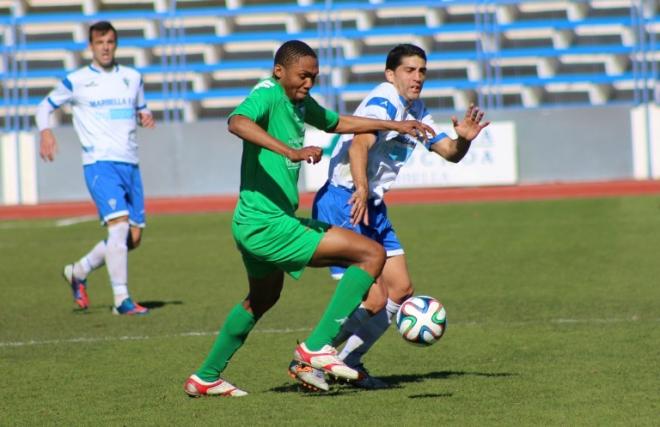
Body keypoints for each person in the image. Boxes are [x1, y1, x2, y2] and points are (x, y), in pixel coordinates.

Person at [182, 40, 434, 397]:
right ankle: (316, 348)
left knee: (261, 300)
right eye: (303, 76)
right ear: (279, 71)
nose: (309, 83)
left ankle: (205, 377)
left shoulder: (299, 102)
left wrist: (396, 124)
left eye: (314, 77)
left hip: (256, 222)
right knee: (372, 255)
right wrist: (291, 151)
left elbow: (338, 122)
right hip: (266, 225)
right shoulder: (268, 93)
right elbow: (236, 122)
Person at [290, 43, 490, 390]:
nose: (417, 77)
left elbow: (450, 153)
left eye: (422, 71)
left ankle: (350, 362)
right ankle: (311, 357)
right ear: (390, 74)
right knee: (373, 297)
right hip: (346, 200)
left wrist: (464, 140)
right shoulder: (383, 100)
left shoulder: (418, 109)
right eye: (409, 70)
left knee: (401, 289)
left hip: (373, 205)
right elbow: (358, 146)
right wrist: (362, 190)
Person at [36, 21, 155, 315]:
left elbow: (140, 108)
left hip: (130, 163)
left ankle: (78, 271)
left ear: (115, 45)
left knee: (132, 238)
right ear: (91, 46)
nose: (105, 47)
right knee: (119, 227)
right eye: (100, 42)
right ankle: (121, 300)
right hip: (99, 164)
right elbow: (44, 107)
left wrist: (145, 115)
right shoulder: (76, 81)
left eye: (110, 42)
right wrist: (46, 132)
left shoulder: (132, 77)